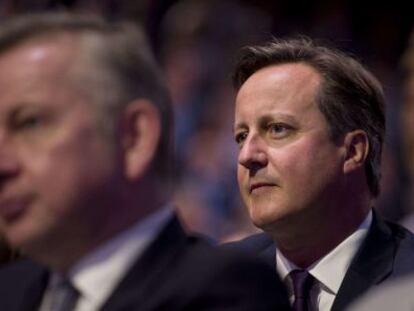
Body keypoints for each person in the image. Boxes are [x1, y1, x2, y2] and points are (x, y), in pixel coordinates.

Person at [0, 13, 291, 311]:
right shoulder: (8, 288)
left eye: (30, 123)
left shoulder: (228, 292)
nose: (2, 163)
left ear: (133, 137)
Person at [227, 37, 414, 311]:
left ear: (352, 151)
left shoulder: (408, 280)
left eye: (277, 129)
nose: (247, 156)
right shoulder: (220, 280)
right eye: (242, 136)